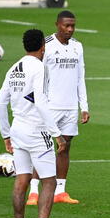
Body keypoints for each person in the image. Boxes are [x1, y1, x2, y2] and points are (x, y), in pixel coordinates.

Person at [0, 29, 67, 218]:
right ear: (42, 47)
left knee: (22, 180)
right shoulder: (39, 67)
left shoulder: (14, 68)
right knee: (49, 181)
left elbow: (0, 103)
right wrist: (56, 133)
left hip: (17, 129)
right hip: (37, 130)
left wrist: (6, 134)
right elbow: (40, 101)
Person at [27, 10, 89, 205]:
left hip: (70, 107)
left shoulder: (77, 47)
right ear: (57, 25)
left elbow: (80, 78)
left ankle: (60, 191)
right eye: (66, 25)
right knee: (43, 146)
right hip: (50, 106)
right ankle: (34, 192)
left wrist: (84, 106)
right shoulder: (46, 46)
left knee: (65, 147)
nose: (70, 29)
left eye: (72, 26)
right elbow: (35, 74)